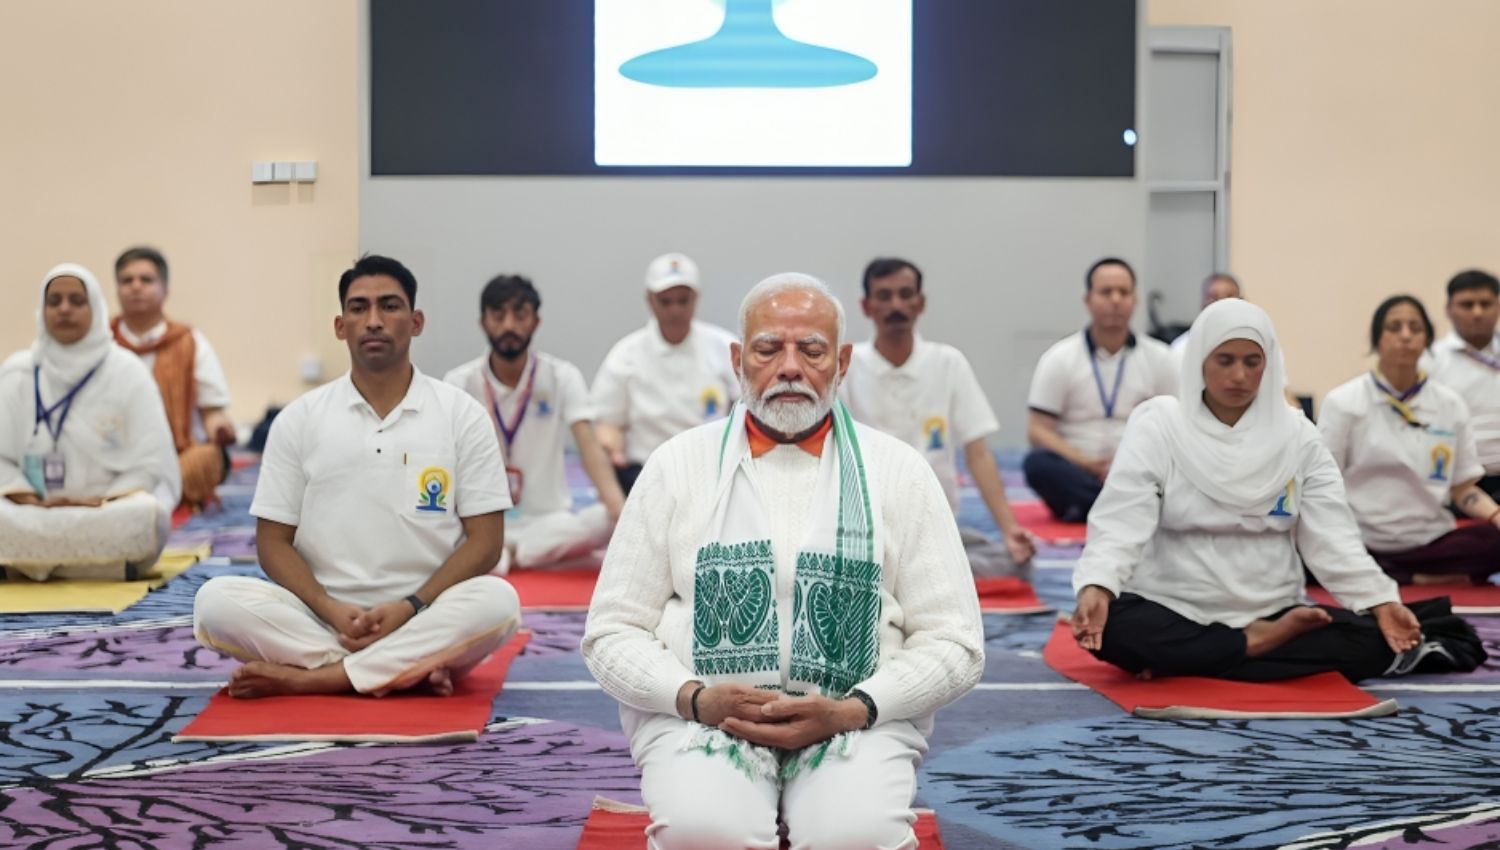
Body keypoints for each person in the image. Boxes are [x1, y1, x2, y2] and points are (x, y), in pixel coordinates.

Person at [581, 273, 984, 850]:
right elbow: (611, 630)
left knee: (855, 837)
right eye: (769, 349)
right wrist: (695, 697)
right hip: (704, 721)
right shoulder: (677, 465)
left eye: (812, 350)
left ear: (842, 362)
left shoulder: (899, 471)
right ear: (738, 359)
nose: (790, 367)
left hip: (856, 722)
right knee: (704, 834)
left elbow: (957, 641)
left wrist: (856, 708)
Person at [1070, 299, 1485, 682]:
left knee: (1370, 640)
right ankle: (1251, 646)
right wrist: (1099, 585)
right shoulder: (1159, 425)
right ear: (1199, 361)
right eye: (1225, 360)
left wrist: (1380, 602)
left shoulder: (1297, 435)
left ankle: (1196, 657)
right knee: (1113, 629)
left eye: (1253, 362)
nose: (1239, 376)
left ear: (1269, 365)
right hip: (1173, 602)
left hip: (1271, 606)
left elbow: (1332, 538)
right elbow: (1123, 517)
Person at [193, 255, 520, 698]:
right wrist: (330, 609)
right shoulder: (300, 419)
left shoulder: (462, 415)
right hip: (322, 618)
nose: (373, 321)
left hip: (426, 609)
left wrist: (410, 607)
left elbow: (486, 542)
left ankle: (321, 677)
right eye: (358, 308)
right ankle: (403, 668)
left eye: (389, 306)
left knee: (498, 603)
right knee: (214, 603)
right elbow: (272, 543)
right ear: (340, 326)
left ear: (416, 321)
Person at [840, 257, 1035, 576]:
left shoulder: (948, 363)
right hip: (868, 523)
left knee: (1019, 565)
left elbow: (978, 453)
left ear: (921, 303)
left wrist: (1010, 529)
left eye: (906, 295)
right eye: (885, 296)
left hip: (933, 520)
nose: (896, 305)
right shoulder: (847, 367)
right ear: (866, 306)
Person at [0, 264, 180, 581]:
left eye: (76, 301)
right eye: (54, 301)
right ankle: (95, 565)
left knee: (146, 515)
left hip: (106, 508)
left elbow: (152, 461)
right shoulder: (18, 373)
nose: (64, 309)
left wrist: (101, 501)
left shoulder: (128, 371)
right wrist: (28, 497)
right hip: (32, 507)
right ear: (41, 311)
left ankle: (28, 564)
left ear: (94, 307)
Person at [444, 274, 625, 571]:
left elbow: (589, 447)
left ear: (536, 321)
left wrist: (621, 512)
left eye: (520, 315)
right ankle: (528, 555)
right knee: (453, 535)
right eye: (498, 316)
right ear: (483, 322)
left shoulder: (562, 376)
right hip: (484, 519)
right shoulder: (459, 383)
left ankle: (513, 554)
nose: (509, 326)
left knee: (607, 518)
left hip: (549, 520)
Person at [1319, 295, 1500, 585]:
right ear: (1377, 339)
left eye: (1415, 328)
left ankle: (1389, 574)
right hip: (1361, 537)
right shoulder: (1344, 402)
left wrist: (1495, 515)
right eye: (1394, 327)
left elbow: (1463, 489)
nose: (1405, 335)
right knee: (1304, 549)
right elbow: (1322, 482)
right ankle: (1414, 577)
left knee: (1491, 540)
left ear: (1427, 339)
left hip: (1429, 540)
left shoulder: (1450, 405)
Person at [1024, 258, 1177, 522]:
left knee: (1176, 465)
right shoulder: (1060, 358)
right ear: (1088, 300)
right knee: (1037, 464)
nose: (1116, 300)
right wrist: (1084, 462)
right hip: (1079, 468)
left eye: (1124, 292)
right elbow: (1037, 429)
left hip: (1137, 466)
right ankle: (1122, 506)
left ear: (1135, 300)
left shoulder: (1161, 358)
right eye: (1106, 292)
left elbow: (1174, 424)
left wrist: (1128, 462)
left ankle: (1095, 506)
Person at [590, 253, 739, 494]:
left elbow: (748, 409)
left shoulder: (724, 348)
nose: (675, 310)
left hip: (713, 472)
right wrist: (612, 449)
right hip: (646, 475)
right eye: (666, 301)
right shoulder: (625, 355)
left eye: (683, 301)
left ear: (696, 299)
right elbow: (607, 424)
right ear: (649, 300)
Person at [111, 246, 235, 509]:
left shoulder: (189, 342)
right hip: (114, 455)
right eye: (127, 280)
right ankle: (148, 493)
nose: (136, 287)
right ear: (117, 290)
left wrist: (220, 429)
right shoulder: (101, 343)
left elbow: (212, 412)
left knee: (206, 458)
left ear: (164, 290)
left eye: (146, 280)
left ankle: (136, 495)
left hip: (176, 457)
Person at [1428, 269, 1500, 501]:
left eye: (1485, 303)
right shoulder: (1429, 361)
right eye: (1467, 305)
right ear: (1449, 309)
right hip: (1458, 485)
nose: (1477, 312)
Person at [1169, 272, 1241, 360]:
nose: (1222, 304)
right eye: (1214, 298)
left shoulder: (1252, 342)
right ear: (1203, 303)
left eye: (1229, 298)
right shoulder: (1182, 347)